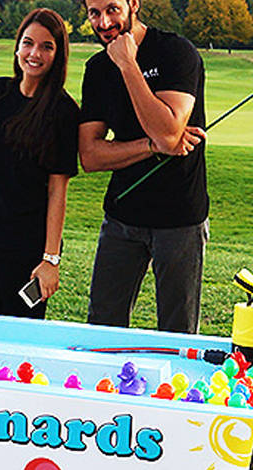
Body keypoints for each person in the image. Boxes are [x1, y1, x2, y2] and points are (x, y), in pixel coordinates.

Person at [79, 0, 208, 332]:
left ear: (133, 3)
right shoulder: (96, 69)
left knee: (178, 332)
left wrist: (127, 64)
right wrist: (150, 146)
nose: (104, 22)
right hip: (122, 217)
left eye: (112, 9)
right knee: (102, 325)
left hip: (180, 218)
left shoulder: (176, 52)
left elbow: (167, 131)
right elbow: (91, 156)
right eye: (94, 13)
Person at [0, 8, 79, 319]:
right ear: (18, 46)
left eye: (46, 46)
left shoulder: (63, 111)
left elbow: (57, 192)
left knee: (20, 348)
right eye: (28, 43)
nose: (34, 54)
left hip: (27, 257)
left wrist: (51, 260)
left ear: (57, 55)